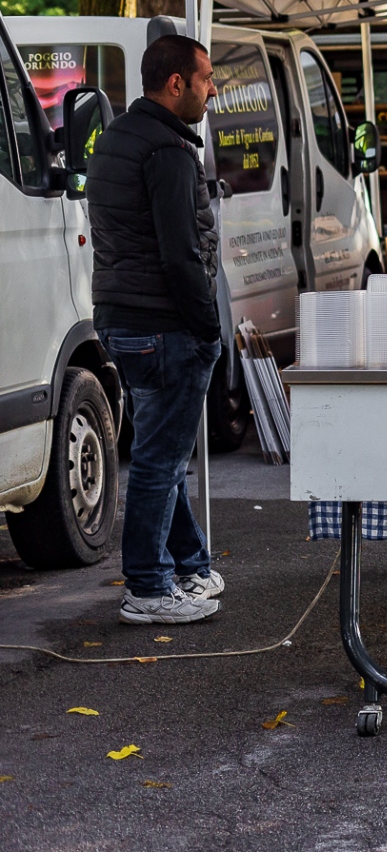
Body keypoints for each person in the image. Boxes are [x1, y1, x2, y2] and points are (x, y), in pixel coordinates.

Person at [89, 35, 224, 625]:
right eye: (206, 78)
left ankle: (191, 566)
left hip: (121, 319)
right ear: (176, 83)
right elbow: (180, 256)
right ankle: (147, 587)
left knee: (159, 454)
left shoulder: (115, 138)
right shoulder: (167, 151)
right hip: (164, 326)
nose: (213, 88)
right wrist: (208, 327)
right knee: (159, 463)